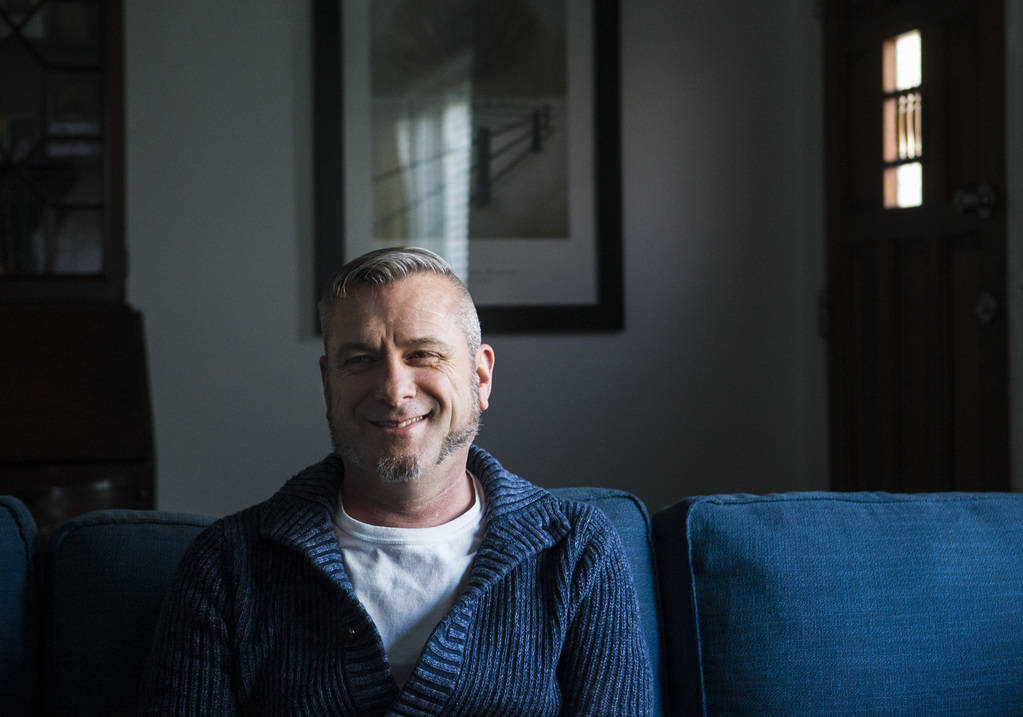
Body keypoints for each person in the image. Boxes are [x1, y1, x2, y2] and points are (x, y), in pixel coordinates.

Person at [139, 247, 653, 715]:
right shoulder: (228, 566)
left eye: (423, 354)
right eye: (360, 360)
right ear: (326, 384)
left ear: (480, 377)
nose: (393, 388)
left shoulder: (576, 549)